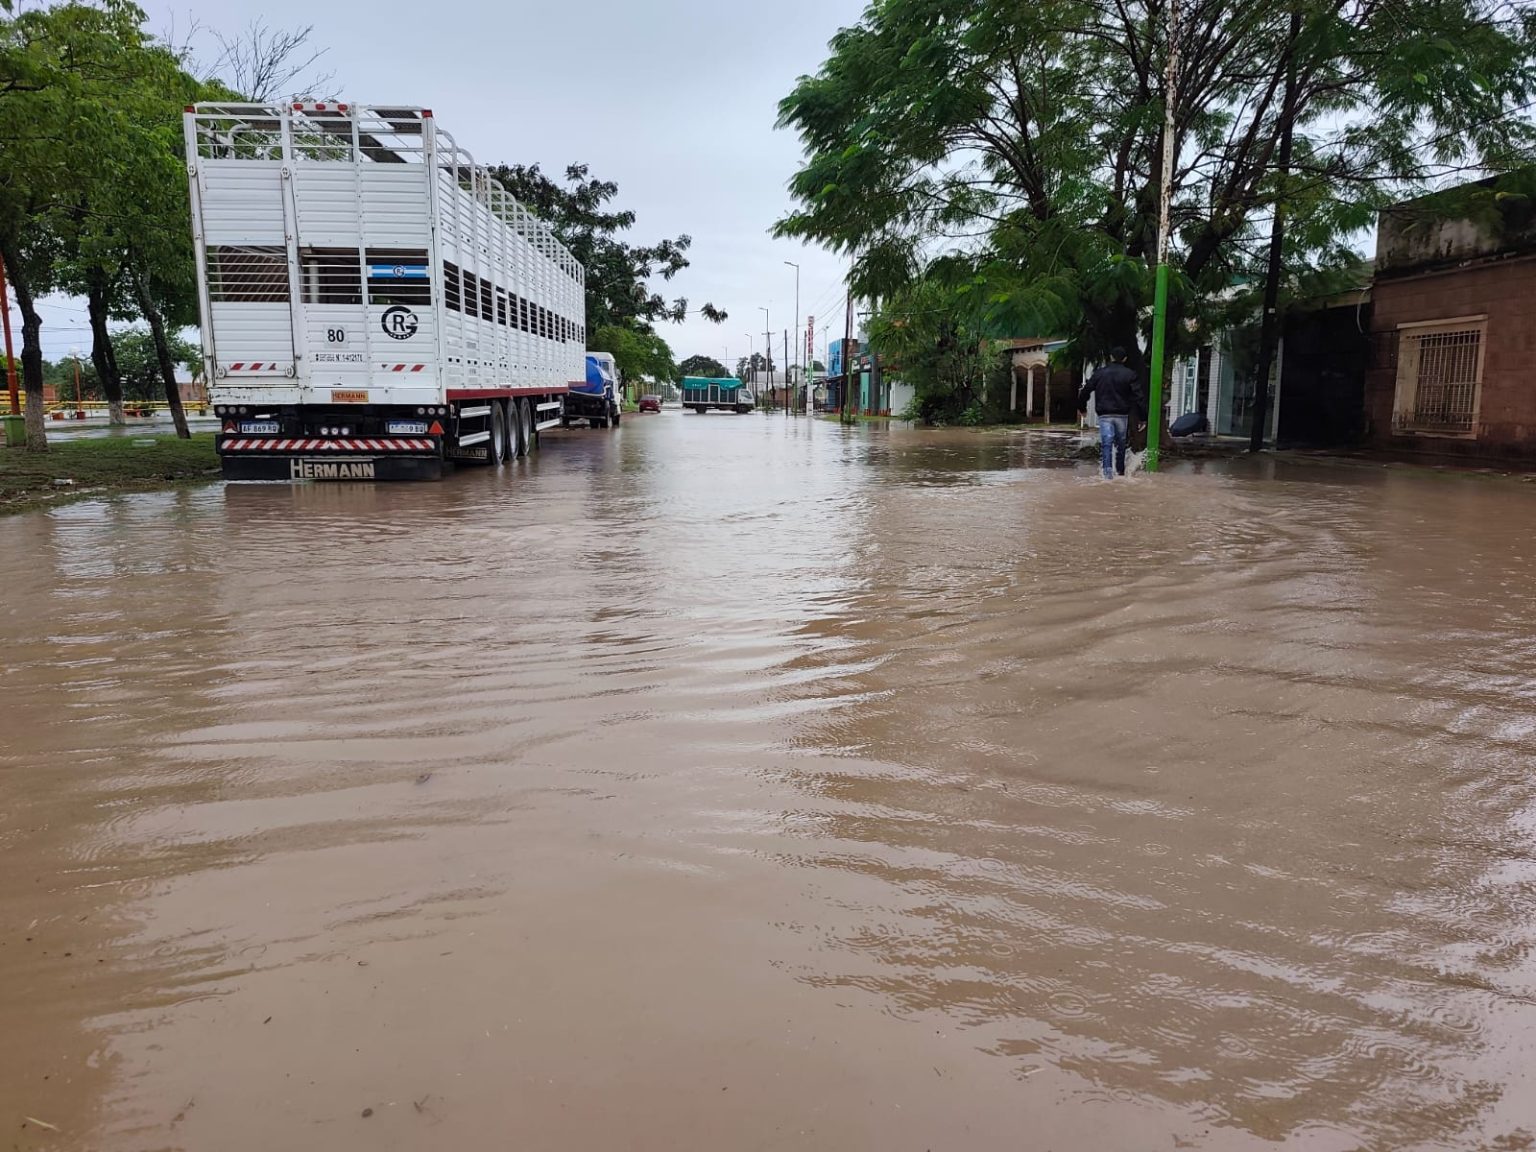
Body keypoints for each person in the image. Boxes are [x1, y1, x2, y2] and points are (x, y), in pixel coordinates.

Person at [1077, 347, 1147, 479]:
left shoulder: (1099, 373)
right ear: (1125, 359)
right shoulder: (1130, 374)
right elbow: (1139, 397)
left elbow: (1086, 390)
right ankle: (1120, 473)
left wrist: (1082, 408)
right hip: (1122, 415)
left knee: (1106, 443)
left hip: (1105, 415)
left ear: (1111, 357)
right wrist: (1142, 418)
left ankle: (1107, 475)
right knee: (1121, 444)